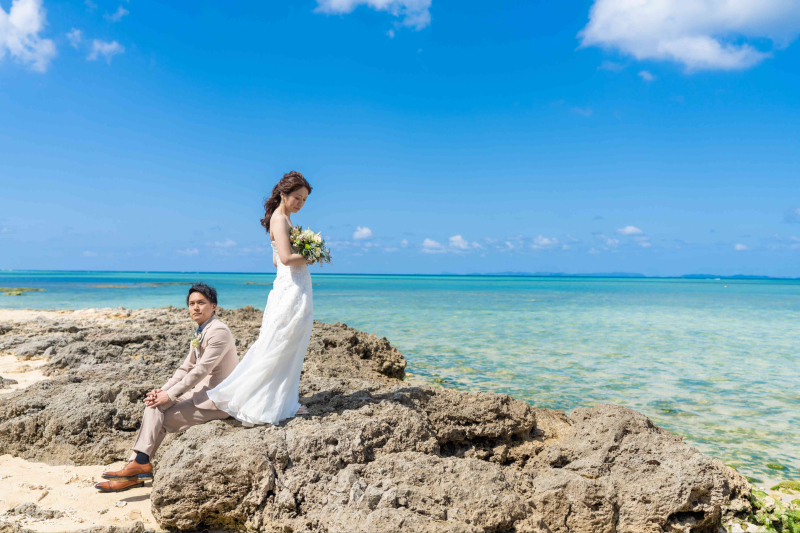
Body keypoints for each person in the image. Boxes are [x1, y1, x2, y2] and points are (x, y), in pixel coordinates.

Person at [94, 283, 238, 492]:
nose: (196, 308)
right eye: (191, 304)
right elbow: (185, 368)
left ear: (213, 306)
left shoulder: (219, 332)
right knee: (153, 406)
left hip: (216, 400)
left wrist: (170, 395)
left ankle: (134, 472)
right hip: (198, 392)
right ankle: (138, 466)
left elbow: (201, 370)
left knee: (159, 420)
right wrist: (162, 392)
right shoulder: (200, 330)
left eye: (201, 303)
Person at [206, 171, 314, 426]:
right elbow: (286, 258)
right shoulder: (279, 219)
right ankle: (265, 402)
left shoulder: (283, 218)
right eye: (297, 198)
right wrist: (312, 255)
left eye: (304, 200)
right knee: (282, 343)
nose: (300, 203)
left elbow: (276, 260)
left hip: (291, 286)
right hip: (291, 289)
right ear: (283, 194)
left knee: (287, 342)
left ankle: (284, 399)